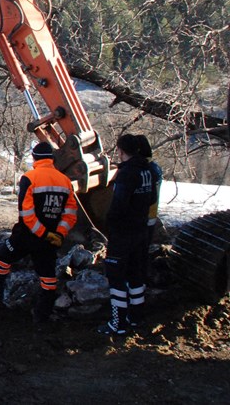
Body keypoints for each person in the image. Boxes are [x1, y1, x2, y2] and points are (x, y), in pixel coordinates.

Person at [0, 142, 77, 324]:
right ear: (52, 159)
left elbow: (26, 213)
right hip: (51, 239)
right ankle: (42, 315)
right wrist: (59, 234)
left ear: (34, 158)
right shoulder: (65, 181)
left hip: (27, 236)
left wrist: (42, 233)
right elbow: (70, 213)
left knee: (2, 257)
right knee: (48, 277)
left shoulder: (30, 178)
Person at [98, 134, 158, 336]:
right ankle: (136, 317)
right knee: (135, 276)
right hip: (141, 231)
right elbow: (152, 199)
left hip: (123, 234)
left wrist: (110, 224)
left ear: (122, 151)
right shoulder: (148, 171)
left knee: (115, 278)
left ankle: (118, 323)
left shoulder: (127, 174)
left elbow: (118, 205)